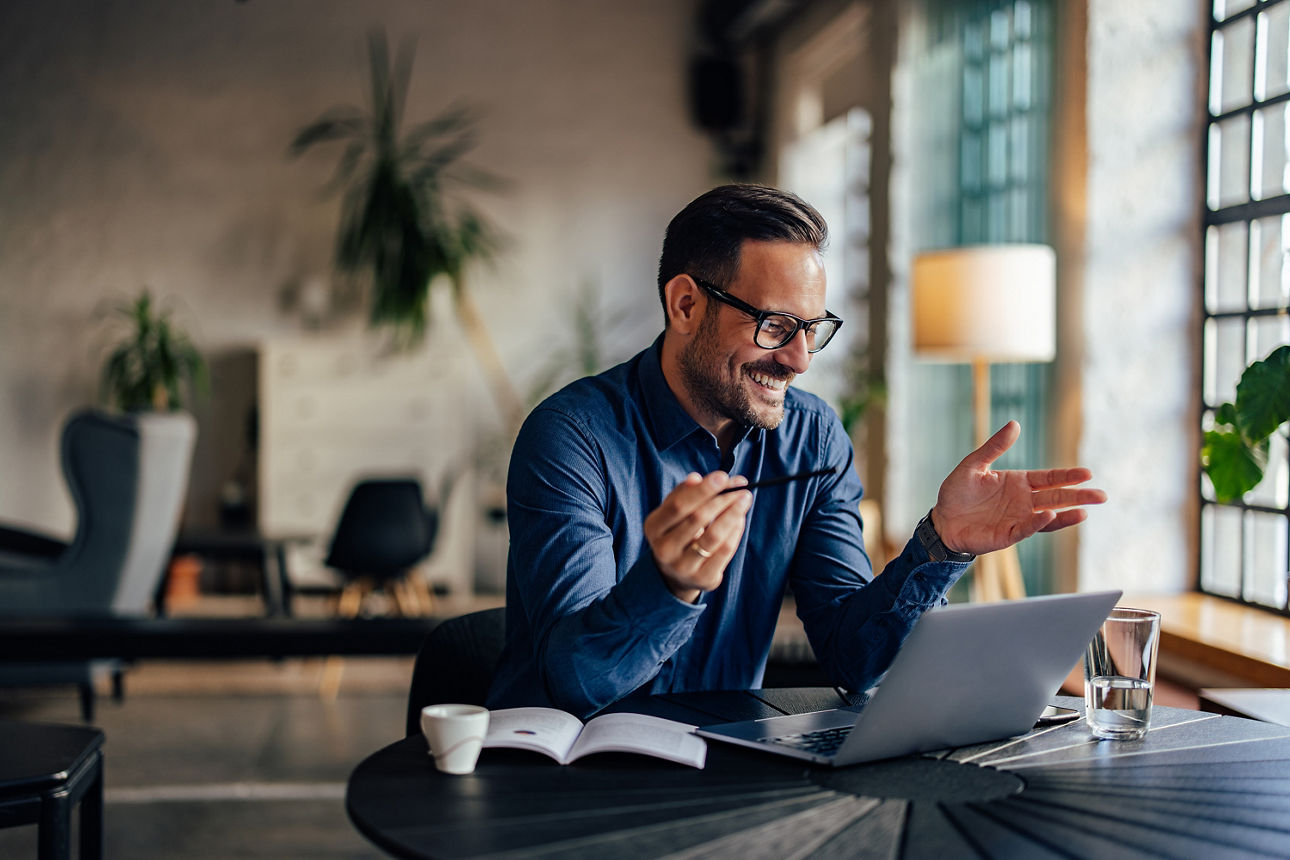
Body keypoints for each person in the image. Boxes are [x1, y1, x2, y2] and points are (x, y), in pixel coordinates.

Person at [487, 184, 1105, 718]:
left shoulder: (814, 439)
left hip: (723, 771)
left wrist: (942, 542)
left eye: (812, 329)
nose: (800, 359)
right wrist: (667, 587)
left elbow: (852, 656)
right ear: (685, 305)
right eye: (775, 326)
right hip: (560, 775)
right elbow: (575, 683)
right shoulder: (571, 438)